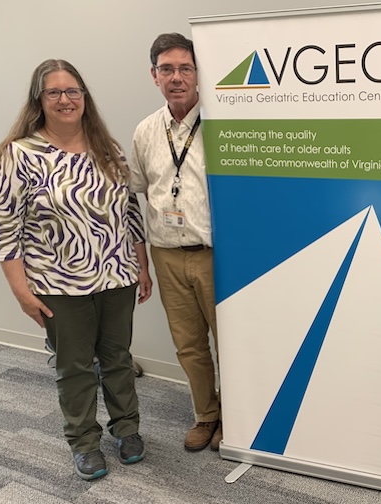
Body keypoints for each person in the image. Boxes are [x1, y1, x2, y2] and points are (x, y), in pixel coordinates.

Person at [0, 59, 152, 480]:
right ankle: (83, 441)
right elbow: (5, 229)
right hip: (58, 286)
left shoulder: (107, 148)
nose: (65, 99)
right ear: (39, 100)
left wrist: (142, 264)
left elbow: (129, 212)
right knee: (74, 367)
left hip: (117, 276)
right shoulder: (20, 154)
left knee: (117, 359)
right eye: (54, 93)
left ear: (84, 96)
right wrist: (20, 290)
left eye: (72, 91)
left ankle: (127, 430)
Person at [130, 33, 222, 452]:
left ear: (199, 74)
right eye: (167, 69)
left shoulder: (222, 125)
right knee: (188, 345)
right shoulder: (146, 132)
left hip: (216, 256)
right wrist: (142, 264)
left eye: (186, 68)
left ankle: (237, 418)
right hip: (166, 254)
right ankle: (206, 414)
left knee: (230, 342)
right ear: (154, 76)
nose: (177, 77)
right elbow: (136, 196)